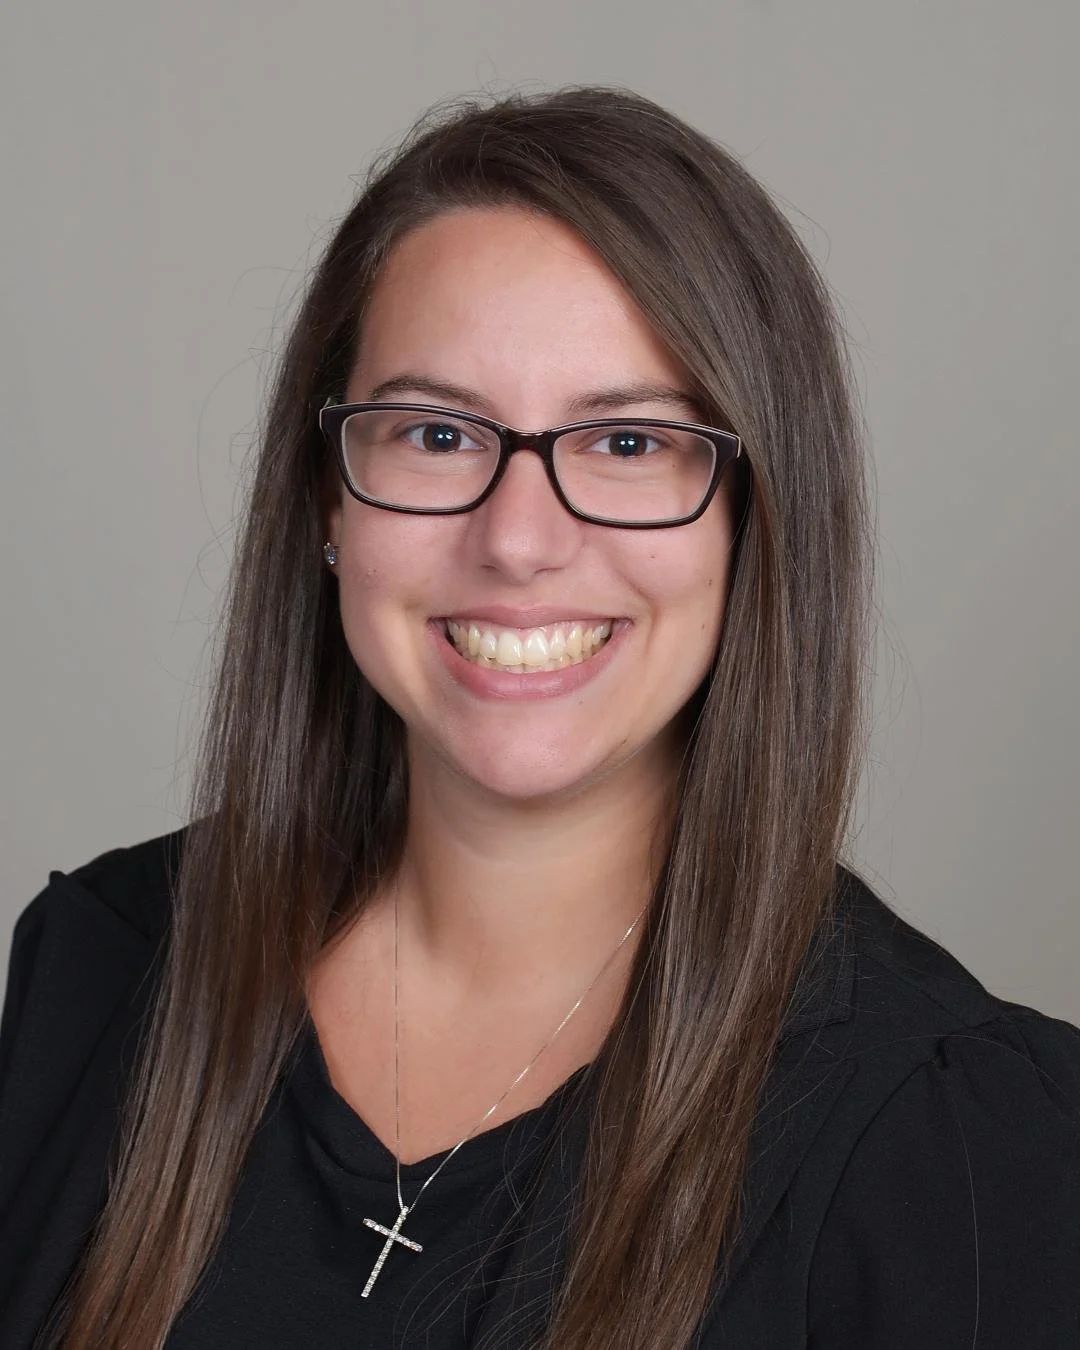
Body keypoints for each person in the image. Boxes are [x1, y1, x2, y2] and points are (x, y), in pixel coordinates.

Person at [1, 86, 1078, 1350]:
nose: (518, 541)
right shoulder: (104, 968)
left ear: (757, 523)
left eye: (627, 443)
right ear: (327, 507)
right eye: (439, 433)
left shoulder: (956, 1144)